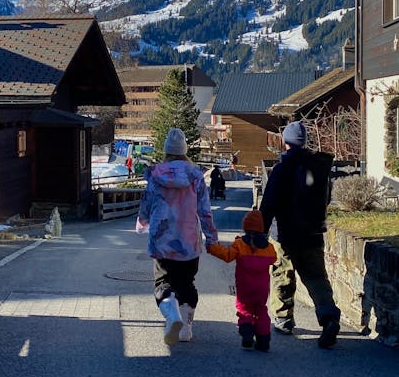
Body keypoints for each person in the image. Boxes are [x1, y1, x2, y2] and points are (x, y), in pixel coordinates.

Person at [259, 120, 341, 349]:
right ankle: (329, 316)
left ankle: (284, 319)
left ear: (285, 141)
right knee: (316, 278)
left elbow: (269, 203)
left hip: (284, 233)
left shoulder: (282, 168)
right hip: (313, 232)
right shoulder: (319, 167)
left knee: (282, 275)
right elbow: (325, 198)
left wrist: (260, 232)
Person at [136, 127, 218, 345]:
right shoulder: (195, 175)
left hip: (162, 239)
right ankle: (186, 329)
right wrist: (212, 238)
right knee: (187, 282)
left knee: (163, 281)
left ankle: (171, 314)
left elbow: (147, 202)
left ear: (166, 150)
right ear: (184, 150)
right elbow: (205, 210)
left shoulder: (156, 174)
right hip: (189, 240)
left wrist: (142, 223)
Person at [207, 210, 276, 351]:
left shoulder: (240, 244)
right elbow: (274, 258)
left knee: (244, 308)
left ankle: (247, 334)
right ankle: (263, 340)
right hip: (262, 288)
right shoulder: (268, 247)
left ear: (245, 226)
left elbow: (227, 256)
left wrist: (212, 248)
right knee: (261, 310)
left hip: (245, 286)